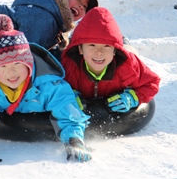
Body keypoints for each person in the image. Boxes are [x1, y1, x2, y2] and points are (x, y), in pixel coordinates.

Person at [0, 14, 92, 165]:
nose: (11, 73)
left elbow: (67, 109)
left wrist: (74, 140)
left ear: (28, 65)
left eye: (17, 65)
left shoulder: (48, 85)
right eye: (3, 67)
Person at [60, 7, 161, 136]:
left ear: (115, 51)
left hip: (125, 54)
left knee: (130, 52)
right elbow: (50, 86)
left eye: (107, 46)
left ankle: (123, 42)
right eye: (92, 45)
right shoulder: (68, 66)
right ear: (80, 49)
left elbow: (152, 82)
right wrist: (67, 95)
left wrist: (133, 97)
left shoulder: (128, 65)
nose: (99, 52)